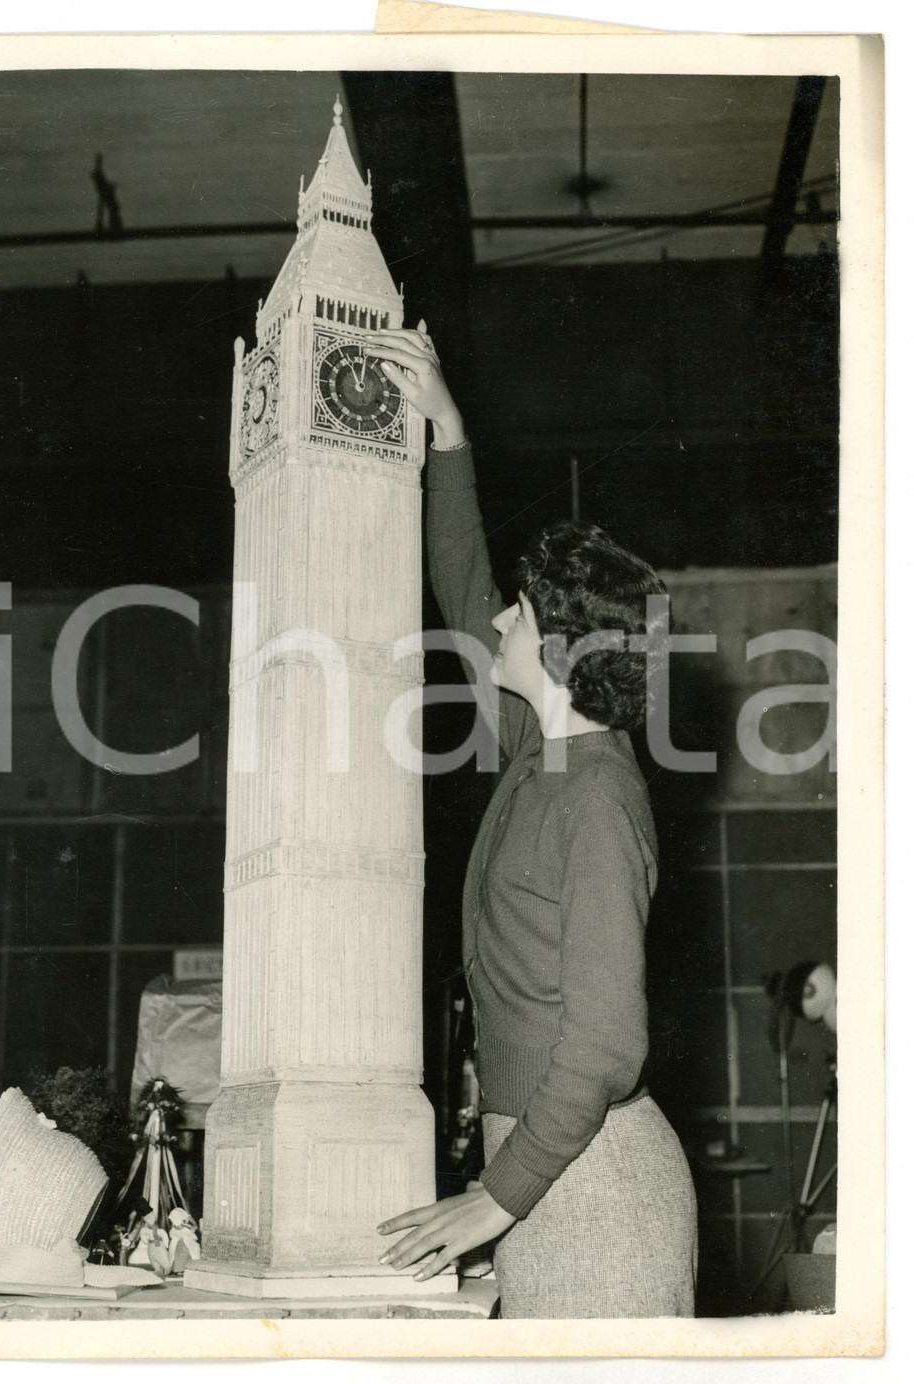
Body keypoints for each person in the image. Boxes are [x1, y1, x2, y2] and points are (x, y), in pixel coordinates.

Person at [364, 323, 698, 1319]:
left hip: (591, 1189)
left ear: (555, 652)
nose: (498, 621)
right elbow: (463, 590)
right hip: (548, 1168)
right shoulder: (541, 749)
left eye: (521, 611)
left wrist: (494, 1197)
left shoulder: (595, 796)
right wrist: (447, 434)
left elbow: (604, 1046)